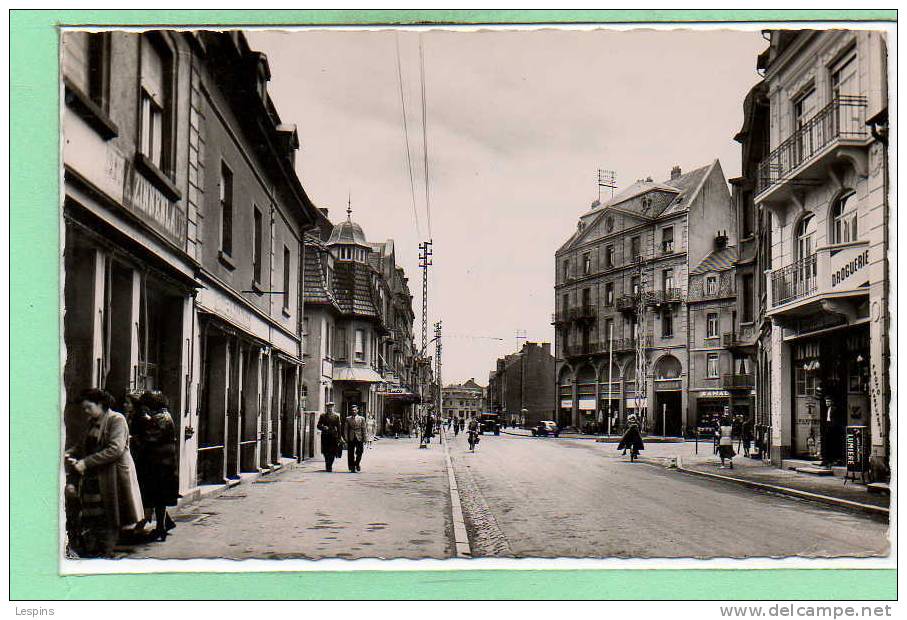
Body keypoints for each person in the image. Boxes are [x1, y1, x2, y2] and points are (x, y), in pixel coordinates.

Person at [65, 388, 144, 557]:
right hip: (95, 476)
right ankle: (97, 550)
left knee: (110, 516)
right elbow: (83, 445)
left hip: (112, 476)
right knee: (94, 514)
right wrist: (70, 453)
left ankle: (105, 552)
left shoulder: (117, 420)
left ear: (100, 404)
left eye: (88, 407)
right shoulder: (93, 421)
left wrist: (85, 462)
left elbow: (115, 449)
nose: (86, 411)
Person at [133, 391, 179, 541]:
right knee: (159, 496)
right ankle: (164, 525)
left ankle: (161, 528)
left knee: (156, 496)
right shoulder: (164, 415)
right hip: (164, 463)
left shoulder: (159, 418)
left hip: (158, 464)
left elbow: (148, 439)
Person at [317, 402, 343, 472]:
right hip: (325, 436)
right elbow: (318, 425)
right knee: (326, 451)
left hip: (333, 436)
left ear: (333, 407)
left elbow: (339, 427)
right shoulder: (322, 416)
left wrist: (339, 437)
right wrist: (323, 427)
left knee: (333, 452)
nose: (330, 409)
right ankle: (327, 464)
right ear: (326, 408)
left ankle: (330, 465)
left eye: (331, 407)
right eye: (328, 407)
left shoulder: (336, 416)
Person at [345, 405, 366, 472]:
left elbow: (364, 428)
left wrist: (364, 437)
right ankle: (352, 466)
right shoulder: (348, 418)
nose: (353, 411)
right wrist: (346, 437)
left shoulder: (362, 418)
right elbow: (346, 429)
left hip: (359, 437)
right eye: (352, 410)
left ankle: (357, 463)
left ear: (357, 410)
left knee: (360, 452)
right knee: (350, 453)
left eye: (355, 410)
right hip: (351, 437)